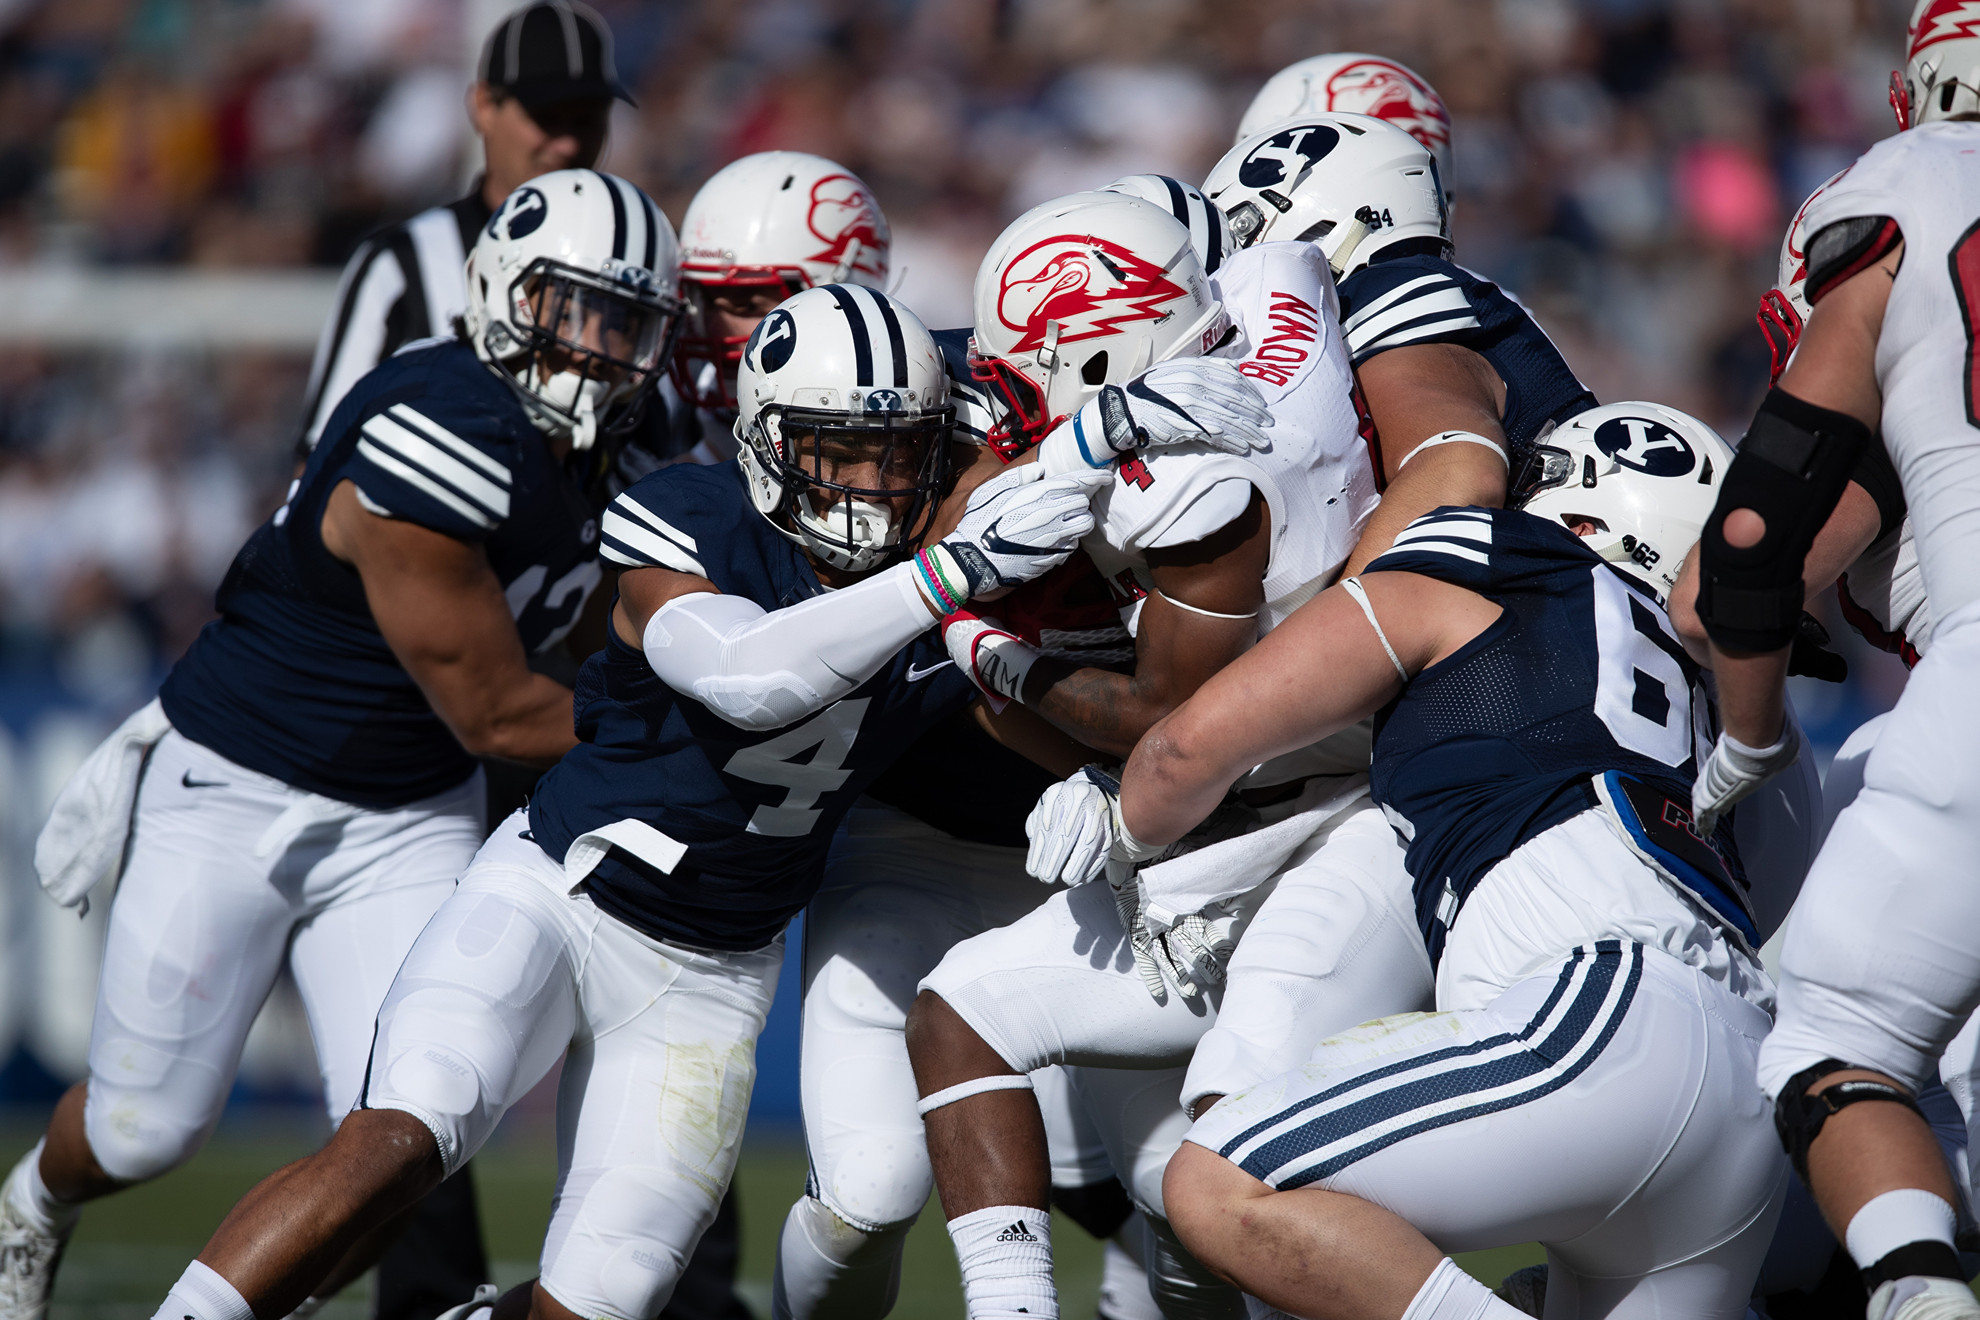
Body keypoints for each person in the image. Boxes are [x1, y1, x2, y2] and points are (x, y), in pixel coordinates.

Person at [131, 278, 1244, 1320]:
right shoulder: (689, 516)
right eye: (836, 453)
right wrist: (949, 576)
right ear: (766, 446)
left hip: (714, 978)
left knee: (604, 1303)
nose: (867, 488)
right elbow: (752, 678)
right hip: (559, 895)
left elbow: (1058, 699)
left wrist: (1111, 765)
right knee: (398, 1140)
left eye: (893, 456)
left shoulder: (938, 596)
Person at [0, 170, 682, 1320]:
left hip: (407, 812)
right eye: (576, 309)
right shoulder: (437, 423)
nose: (601, 349)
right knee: (140, 1127)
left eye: (627, 321)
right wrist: (707, 708)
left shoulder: (635, 440)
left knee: (402, 1147)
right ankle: (32, 1201)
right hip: (236, 782)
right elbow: (500, 713)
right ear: (506, 297)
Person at [1037, 404, 1787, 1320]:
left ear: (1574, 505)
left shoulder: (1496, 555)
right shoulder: (1733, 695)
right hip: (1750, 1081)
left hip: (1598, 1013)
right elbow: (1778, 886)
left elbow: (1184, 753)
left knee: (1220, 1183)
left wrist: (1128, 822)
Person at [909, 186, 1407, 1320]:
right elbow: (1290, 257)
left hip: (1323, 819)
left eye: (1024, 367)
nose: (1005, 395)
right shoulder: (1264, 290)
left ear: (1096, 356)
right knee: (964, 1014)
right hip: (1283, 778)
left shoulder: (1187, 486)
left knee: (1225, 1175)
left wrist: (994, 656)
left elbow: (1176, 726)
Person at [771, 175, 1260, 1320]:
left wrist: (1105, 761)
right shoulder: (952, 423)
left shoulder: (1248, 456)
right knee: (869, 1190)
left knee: (1190, 1189)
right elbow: (928, 626)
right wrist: (1060, 461)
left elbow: (1193, 725)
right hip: (922, 835)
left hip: (1130, 853)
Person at [1686, 5, 1980, 1318]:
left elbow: (1755, 551)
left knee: (1832, 1044)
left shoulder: (1902, 188)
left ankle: (1921, 1297)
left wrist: (1746, 738)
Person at [298, 0, 630, 454]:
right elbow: (318, 464)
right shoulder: (401, 266)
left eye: (587, 119)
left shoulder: (632, 266)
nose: (569, 142)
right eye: (547, 118)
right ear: (483, 106)